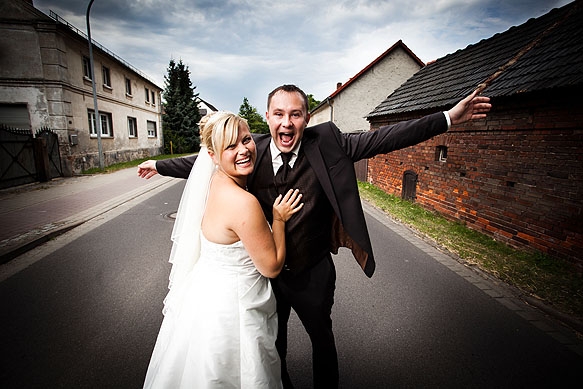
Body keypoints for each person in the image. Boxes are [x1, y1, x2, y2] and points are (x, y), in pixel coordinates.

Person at [138, 85, 492, 388]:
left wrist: (447, 118)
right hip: (266, 278)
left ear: (307, 119)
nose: (286, 122)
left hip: (313, 271)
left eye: (295, 114)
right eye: (278, 114)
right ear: (268, 116)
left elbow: (385, 137)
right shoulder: (251, 149)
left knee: (322, 340)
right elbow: (204, 162)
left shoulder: (328, 143)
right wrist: (159, 165)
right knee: (269, 346)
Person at [143, 112, 304, 388]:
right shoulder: (243, 203)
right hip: (234, 309)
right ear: (213, 155)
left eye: (246, 140)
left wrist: (159, 166)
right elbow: (272, 266)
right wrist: (278, 219)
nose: (243, 150)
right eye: (230, 146)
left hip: (205, 297)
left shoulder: (212, 182)